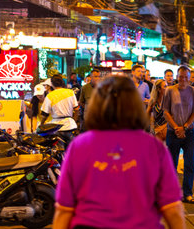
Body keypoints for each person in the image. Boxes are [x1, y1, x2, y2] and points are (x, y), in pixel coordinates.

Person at [53, 76, 185, 229]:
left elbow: (64, 210)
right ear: (134, 105)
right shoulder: (153, 148)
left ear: (97, 105)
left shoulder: (79, 146)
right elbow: (172, 209)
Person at [163, 65, 194, 204]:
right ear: (177, 77)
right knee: (172, 164)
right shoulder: (169, 90)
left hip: (189, 132)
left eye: (186, 77)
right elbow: (166, 111)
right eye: (181, 76)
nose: (183, 79)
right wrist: (176, 127)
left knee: (189, 164)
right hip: (173, 132)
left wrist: (184, 127)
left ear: (189, 78)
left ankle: (188, 194)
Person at [40, 74, 79, 144]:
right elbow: (76, 110)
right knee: (72, 151)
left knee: (59, 152)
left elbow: (44, 114)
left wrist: (41, 125)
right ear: (62, 82)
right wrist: (74, 121)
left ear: (52, 84)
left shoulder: (50, 96)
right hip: (70, 126)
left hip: (56, 127)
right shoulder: (70, 92)